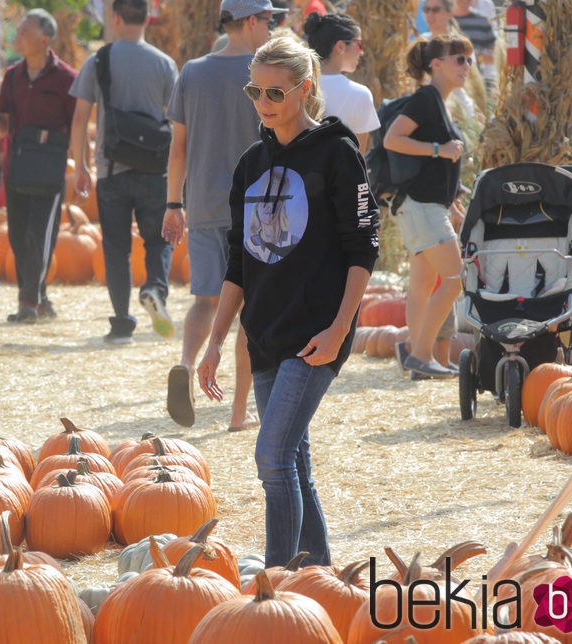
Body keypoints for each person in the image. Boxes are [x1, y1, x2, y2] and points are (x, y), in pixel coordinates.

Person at [197, 36, 379, 567]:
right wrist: (215, 343)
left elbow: (362, 248)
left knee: (272, 457)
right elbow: (240, 262)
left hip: (317, 332)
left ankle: (275, 583)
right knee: (294, 462)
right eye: (256, 90)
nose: (264, 101)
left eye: (275, 91)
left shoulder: (338, 153)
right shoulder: (251, 163)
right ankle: (317, 572)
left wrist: (341, 328)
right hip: (265, 334)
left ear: (305, 88)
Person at [162, 0, 279, 430]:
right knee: (249, 308)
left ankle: (186, 365)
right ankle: (237, 412)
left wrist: (174, 203)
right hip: (255, 205)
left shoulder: (191, 71)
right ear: (251, 22)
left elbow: (177, 147)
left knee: (205, 300)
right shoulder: (267, 72)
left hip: (204, 203)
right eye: (269, 20)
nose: (271, 27)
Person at [69, 0, 179, 344]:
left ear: (115, 18)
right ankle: (155, 289)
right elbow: (176, 122)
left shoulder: (99, 60)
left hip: (112, 169)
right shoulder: (164, 64)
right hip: (154, 169)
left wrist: (82, 166)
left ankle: (121, 324)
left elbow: (79, 118)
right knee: (158, 239)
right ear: (148, 17)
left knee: (116, 249)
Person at [384, 34, 472, 379]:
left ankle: (415, 356)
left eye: (468, 60)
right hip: (421, 207)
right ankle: (420, 353)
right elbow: (394, 139)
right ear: (437, 64)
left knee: (422, 285)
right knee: (454, 279)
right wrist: (439, 149)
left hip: (426, 206)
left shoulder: (437, 101)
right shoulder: (425, 99)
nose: (467, 66)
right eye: (459, 59)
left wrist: (451, 200)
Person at [0, 9, 77, 323]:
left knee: (39, 236)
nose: (17, 35)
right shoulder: (12, 76)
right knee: (18, 237)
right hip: (14, 168)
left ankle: (28, 303)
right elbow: (2, 123)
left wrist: (79, 163)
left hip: (48, 173)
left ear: (43, 39)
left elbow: (78, 125)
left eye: (24, 31)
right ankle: (40, 298)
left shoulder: (67, 79)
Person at [303, 11, 379, 154]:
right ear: (340, 46)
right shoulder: (361, 94)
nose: (361, 52)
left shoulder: (295, 86)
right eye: (359, 44)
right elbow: (359, 156)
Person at [452, 0, 496, 92]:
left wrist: (476, 56)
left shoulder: (483, 21)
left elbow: (494, 57)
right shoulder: (446, 21)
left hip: (478, 84)